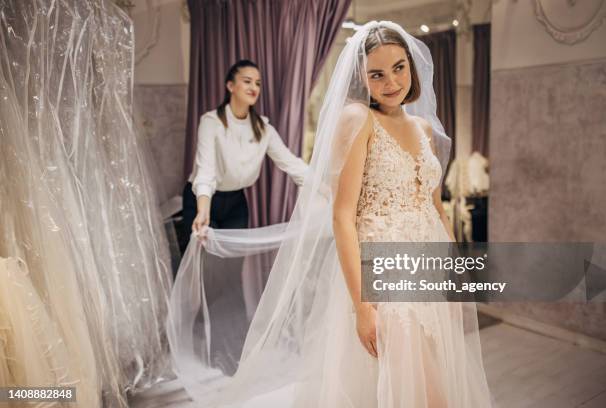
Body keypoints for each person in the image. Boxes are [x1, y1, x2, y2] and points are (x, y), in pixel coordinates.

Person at [168, 21, 492, 407]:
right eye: (377, 74)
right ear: (361, 78)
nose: (391, 82)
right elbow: (342, 216)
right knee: (417, 384)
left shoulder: (424, 129)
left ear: (412, 66)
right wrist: (362, 306)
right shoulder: (357, 120)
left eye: (399, 67)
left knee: (431, 373)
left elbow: (434, 206)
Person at [183, 59, 308, 238]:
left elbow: (293, 165)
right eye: (247, 81)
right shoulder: (211, 122)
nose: (254, 87)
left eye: (257, 83)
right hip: (202, 198)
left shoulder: (264, 129)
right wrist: (203, 211)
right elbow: (205, 172)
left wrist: (328, 189)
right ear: (230, 86)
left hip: (236, 202)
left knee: (232, 265)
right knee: (203, 262)